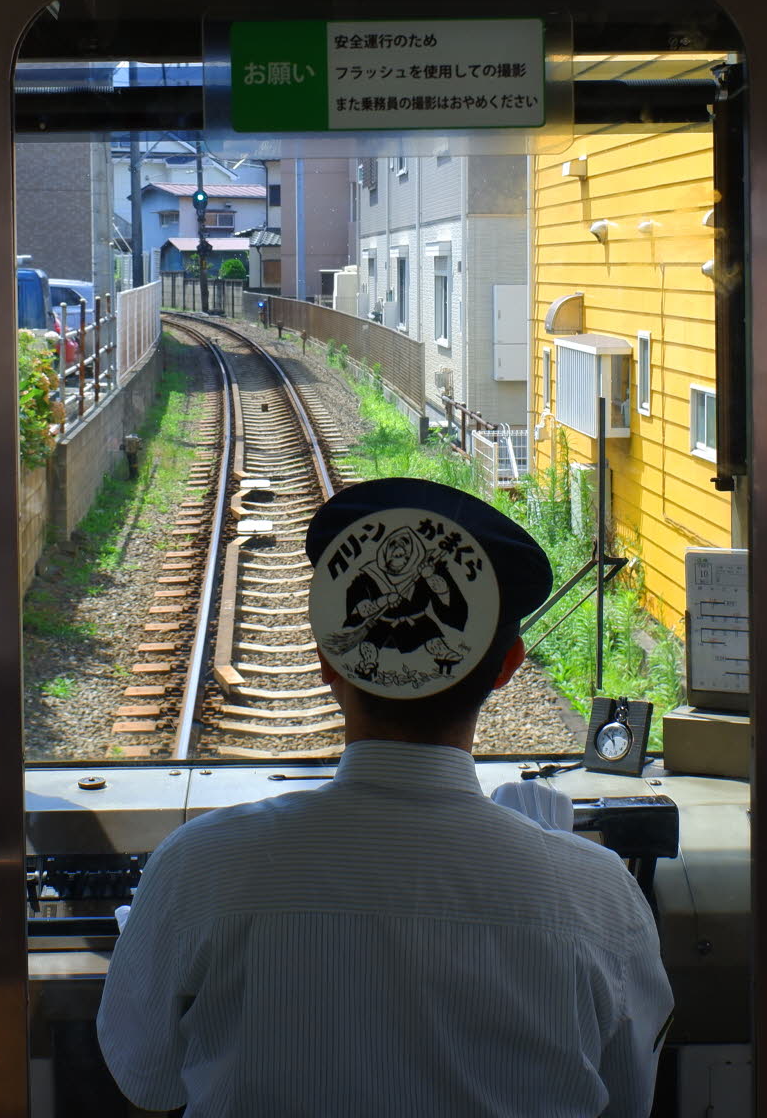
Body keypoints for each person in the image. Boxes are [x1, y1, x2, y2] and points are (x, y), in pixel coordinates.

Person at [97, 477, 672, 1117]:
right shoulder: (598, 895)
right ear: (508, 666)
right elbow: (628, 1100)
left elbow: (146, 1080)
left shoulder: (197, 866)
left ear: (326, 658)